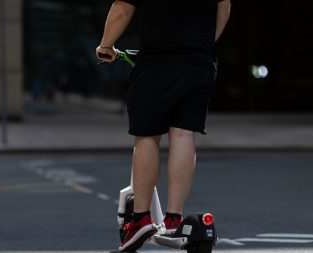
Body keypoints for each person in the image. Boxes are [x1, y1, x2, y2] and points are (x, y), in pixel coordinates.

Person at [96, 0, 231, 251]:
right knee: (183, 134)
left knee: (146, 135)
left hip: (158, 63)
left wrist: (106, 46)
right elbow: (224, 7)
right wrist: (203, 44)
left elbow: (122, 8)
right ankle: (173, 219)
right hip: (199, 62)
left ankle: (140, 220)